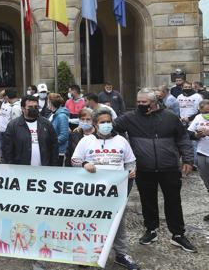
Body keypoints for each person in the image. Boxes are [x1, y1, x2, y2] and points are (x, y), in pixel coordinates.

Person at [114, 88, 196, 252]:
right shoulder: (131, 118)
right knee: (147, 200)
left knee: (173, 201)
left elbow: (182, 138)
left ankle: (178, 235)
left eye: (143, 102)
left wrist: (188, 159)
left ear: (154, 102)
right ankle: (151, 230)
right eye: (138, 102)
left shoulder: (170, 117)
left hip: (169, 167)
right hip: (144, 168)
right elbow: (112, 127)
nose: (140, 105)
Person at [71, 107, 139, 270]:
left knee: (118, 224)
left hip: (116, 192)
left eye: (109, 122)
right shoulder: (86, 141)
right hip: (91, 193)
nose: (106, 125)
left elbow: (130, 161)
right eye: (102, 122)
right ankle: (87, 254)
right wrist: (84, 164)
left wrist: (131, 170)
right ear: (95, 124)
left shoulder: (121, 141)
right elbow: (74, 160)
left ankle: (121, 254)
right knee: (90, 222)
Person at [2, 95, 58, 166]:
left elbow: (54, 145)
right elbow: (7, 149)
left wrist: (53, 165)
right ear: (22, 108)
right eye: (30, 107)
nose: (34, 109)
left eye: (36, 107)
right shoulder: (13, 126)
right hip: (21, 170)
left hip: (44, 169)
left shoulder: (46, 124)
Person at [187, 99, 209, 221]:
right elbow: (189, 133)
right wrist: (196, 135)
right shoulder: (198, 118)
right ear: (200, 110)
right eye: (205, 111)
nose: (207, 114)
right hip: (202, 153)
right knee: (207, 184)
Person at [48, 93, 70, 166]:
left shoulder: (62, 116)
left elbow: (64, 135)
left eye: (48, 101)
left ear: (51, 103)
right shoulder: (53, 114)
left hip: (60, 151)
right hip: (53, 150)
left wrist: (51, 143)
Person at [0, 90, 12, 163]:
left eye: (1, 96)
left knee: (7, 147)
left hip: (7, 130)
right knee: (1, 147)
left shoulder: (11, 105)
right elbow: (2, 114)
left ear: (6, 96)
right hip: (1, 130)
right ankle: (2, 160)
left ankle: (7, 161)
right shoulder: (3, 103)